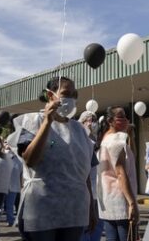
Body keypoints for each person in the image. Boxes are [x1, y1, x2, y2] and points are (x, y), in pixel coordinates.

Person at [11, 76, 95, 241]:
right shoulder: (32, 121)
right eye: (65, 93)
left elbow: (84, 174)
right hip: (41, 209)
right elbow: (30, 160)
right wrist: (47, 123)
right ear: (51, 95)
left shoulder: (79, 130)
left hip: (74, 209)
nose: (70, 98)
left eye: (73, 94)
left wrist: (91, 207)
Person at [96, 106, 138, 241]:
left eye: (125, 116)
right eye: (121, 117)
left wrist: (130, 136)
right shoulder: (117, 139)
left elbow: (132, 157)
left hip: (108, 200)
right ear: (110, 121)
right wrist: (132, 203)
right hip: (121, 200)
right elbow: (120, 172)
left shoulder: (104, 139)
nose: (126, 119)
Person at [79, 111, 104, 241]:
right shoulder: (81, 140)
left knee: (97, 226)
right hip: (86, 192)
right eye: (88, 120)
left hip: (97, 191)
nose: (92, 123)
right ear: (81, 123)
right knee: (86, 228)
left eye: (94, 120)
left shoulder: (96, 141)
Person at [3, 140, 22, 228]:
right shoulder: (2, 156)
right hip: (1, 185)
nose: (8, 145)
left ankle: (11, 220)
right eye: (6, 143)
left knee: (10, 204)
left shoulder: (19, 160)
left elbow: (21, 173)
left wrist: (22, 185)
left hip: (14, 185)